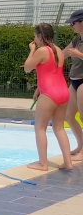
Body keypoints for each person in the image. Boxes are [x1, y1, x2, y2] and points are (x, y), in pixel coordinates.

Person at [23, 23, 73, 171]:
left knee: (40, 128)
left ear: (40, 36)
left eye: (35, 36)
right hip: (63, 92)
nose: (34, 39)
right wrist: (39, 88)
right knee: (59, 128)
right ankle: (68, 163)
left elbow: (27, 68)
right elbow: (52, 72)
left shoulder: (42, 51)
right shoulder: (57, 50)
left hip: (50, 95)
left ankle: (43, 164)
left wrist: (32, 50)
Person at [63, 9, 83, 160]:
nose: (71, 26)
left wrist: (79, 55)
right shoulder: (76, 41)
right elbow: (62, 54)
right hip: (75, 80)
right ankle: (80, 145)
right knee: (68, 115)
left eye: (73, 23)